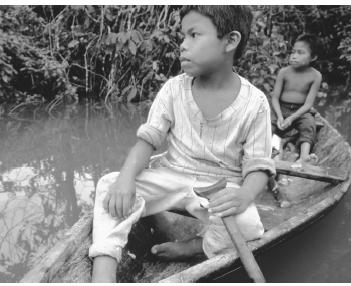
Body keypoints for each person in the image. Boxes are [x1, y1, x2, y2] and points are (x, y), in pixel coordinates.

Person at [89, 6, 276, 282]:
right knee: (110, 185)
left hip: (222, 189)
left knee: (249, 224)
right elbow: (147, 142)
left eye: (194, 35)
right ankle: (103, 272)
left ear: (230, 41)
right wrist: (127, 177)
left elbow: (258, 166)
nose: (183, 45)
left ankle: (197, 247)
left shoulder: (255, 103)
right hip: (172, 176)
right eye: (183, 36)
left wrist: (244, 195)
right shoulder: (173, 89)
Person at [270, 34, 322, 165]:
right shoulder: (284, 72)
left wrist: (292, 118)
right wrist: (280, 117)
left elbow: (308, 104)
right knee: (267, 123)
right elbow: (275, 97)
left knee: (309, 124)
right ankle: (273, 151)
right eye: (293, 52)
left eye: (300, 53)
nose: (294, 55)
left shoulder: (315, 76)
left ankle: (304, 157)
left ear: (313, 57)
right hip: (280, 108)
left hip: (301, 111)